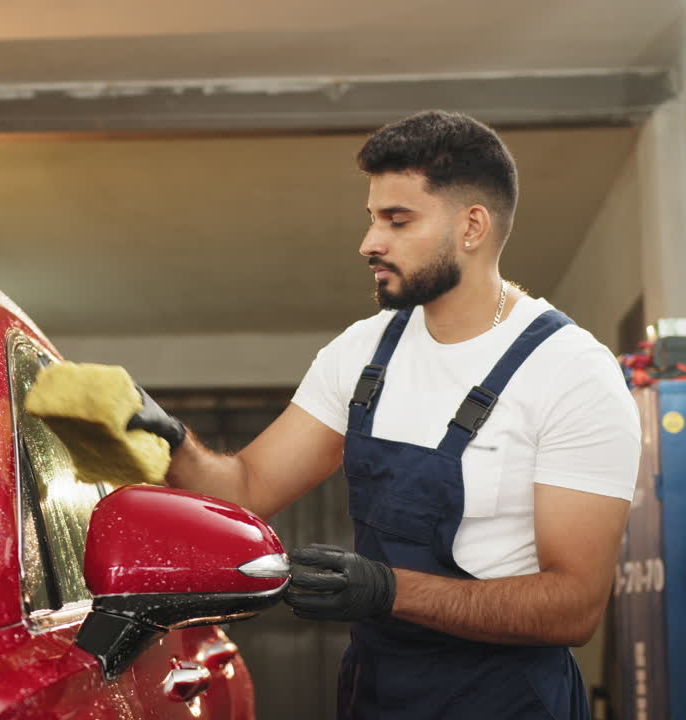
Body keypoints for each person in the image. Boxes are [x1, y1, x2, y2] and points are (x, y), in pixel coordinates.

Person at [128, 110, 641, 719]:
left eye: (398, 221)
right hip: (376, 692)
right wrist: (171, 441)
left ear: (471, 226)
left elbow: (573, 605)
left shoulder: (571, 371)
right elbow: (246, 490)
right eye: (373, 219)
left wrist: (387, 590)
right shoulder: (363, 351)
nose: (370, 242)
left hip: (505, 701)